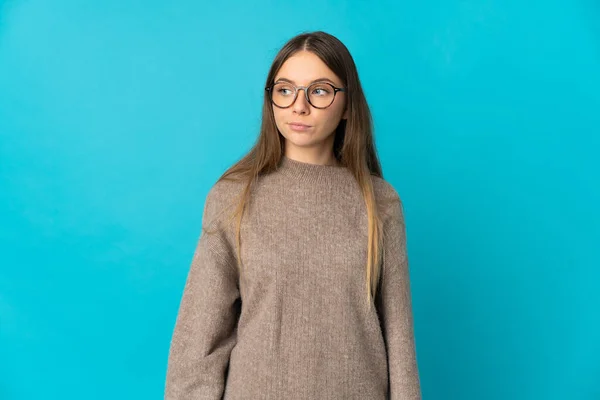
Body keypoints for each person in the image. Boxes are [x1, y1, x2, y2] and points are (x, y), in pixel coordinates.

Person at [164, 30, 422, 400]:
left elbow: (399, 340)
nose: (299, 107)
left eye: (319, 90)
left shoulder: (380, 203)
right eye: (285, 90)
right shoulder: (233, 198)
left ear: (348, 105)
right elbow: (198, 344)